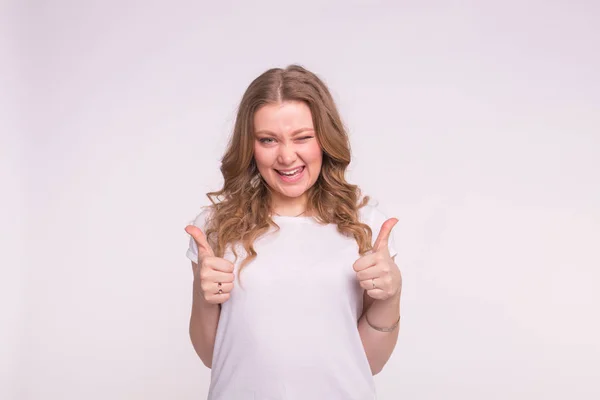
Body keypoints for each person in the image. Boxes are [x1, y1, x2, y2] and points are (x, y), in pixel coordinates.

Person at [184, 64, 402, 399]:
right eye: (268, 140)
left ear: (325, 140)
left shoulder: (365, 224)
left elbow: (368, 363)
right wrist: (205, 299)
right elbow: (210, 356)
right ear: (250, 145)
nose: (287, 156)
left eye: (302, 137)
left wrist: (390, 297)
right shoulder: (215, 228)